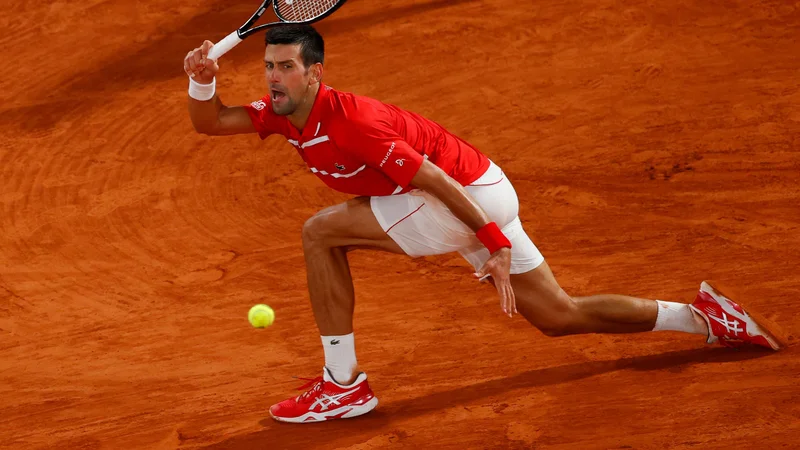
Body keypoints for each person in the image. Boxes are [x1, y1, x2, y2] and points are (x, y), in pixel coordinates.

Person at [183, 24, 782, 424]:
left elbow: (434, 182)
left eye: (286, 67)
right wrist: (201, 77)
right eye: (268, 67)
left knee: (321, 232)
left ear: (315, 72)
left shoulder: (354, 122)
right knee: (557, 316)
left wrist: (492, 244)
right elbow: (210, 121)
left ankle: (343, 385)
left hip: (463, 197)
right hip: (481, 191)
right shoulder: (285, 113)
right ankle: (705, 319)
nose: (272, 78)